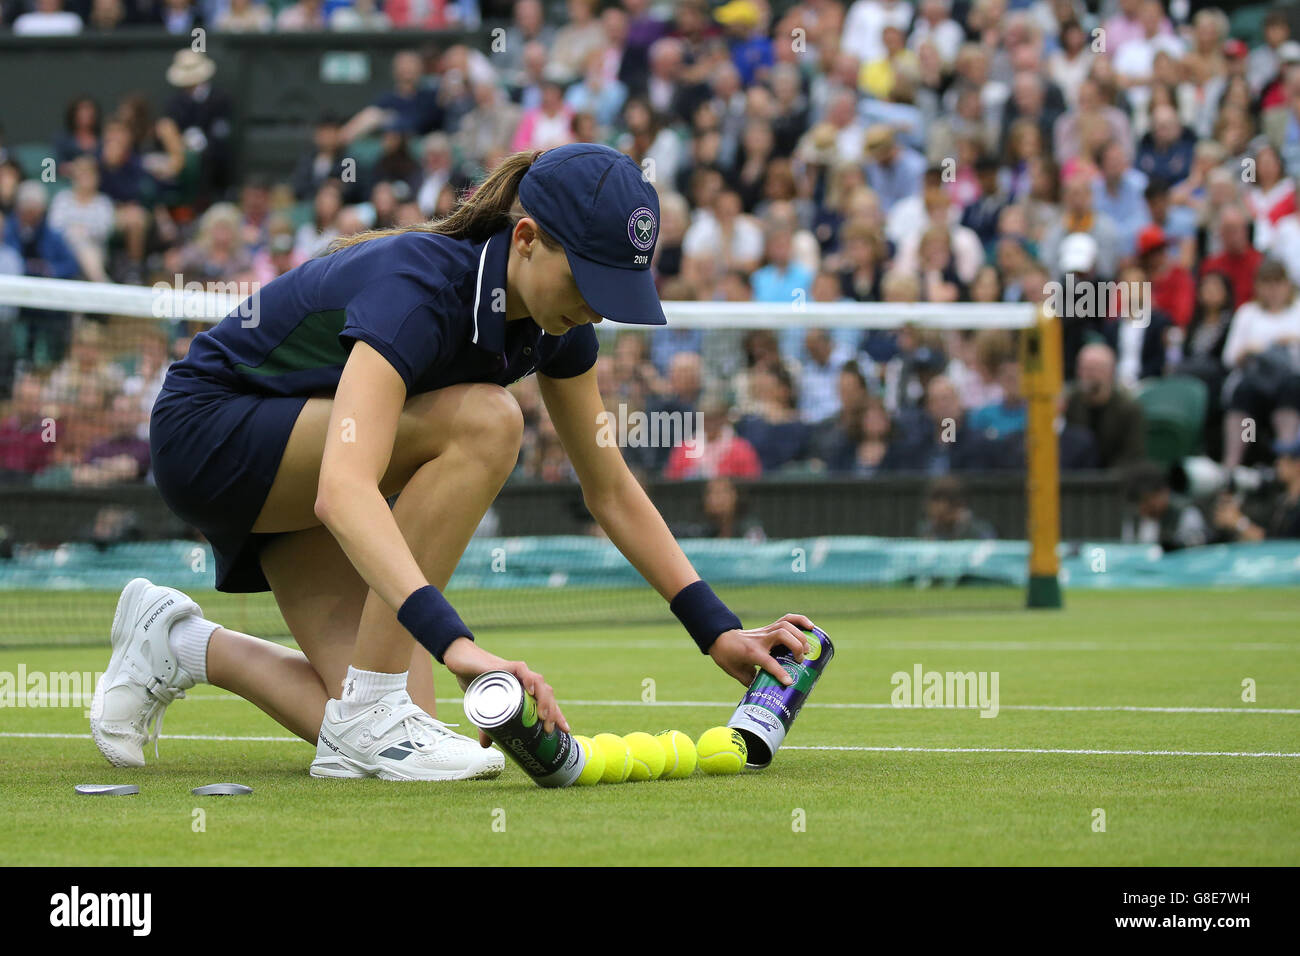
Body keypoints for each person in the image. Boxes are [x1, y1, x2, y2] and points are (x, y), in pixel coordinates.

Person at [90, 145, 813, 781]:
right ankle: (375, 701)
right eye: (589, 283)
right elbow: (344, 490)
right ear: (526, 240)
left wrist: (714, 627)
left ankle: (178, 641)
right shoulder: (422, 287)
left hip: (313, 456)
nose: (598, 310)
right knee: (488, 421)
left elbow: (611, 489)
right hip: (211, 437)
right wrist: (457, 645)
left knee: (372, 735)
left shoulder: (559, 324)